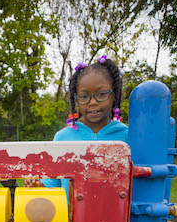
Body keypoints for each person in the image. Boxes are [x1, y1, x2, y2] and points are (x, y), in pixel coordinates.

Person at [24, 56, 128, 195]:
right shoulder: (63, 137)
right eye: (84, 96)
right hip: (71, 216)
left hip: (116, 216)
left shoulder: (127, 135)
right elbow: (53, 182)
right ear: (76, 100)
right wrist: (38, 185)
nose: (92, 102)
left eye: (101, 94)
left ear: (114, 95)